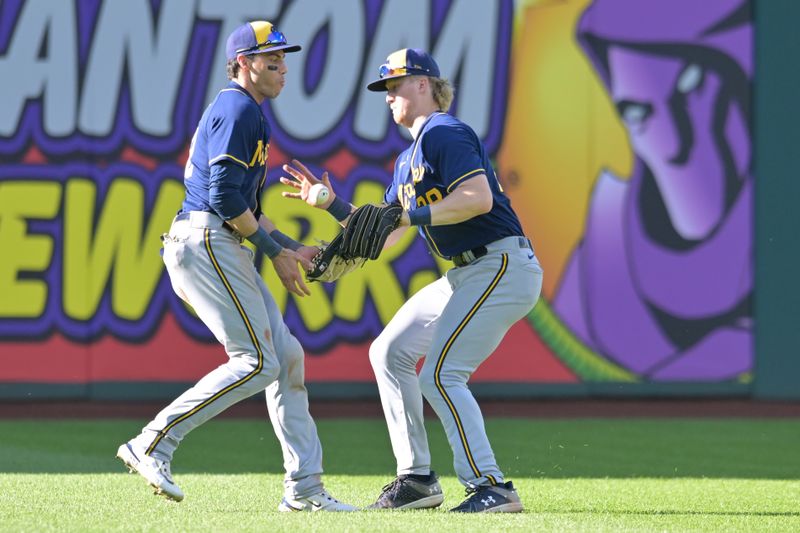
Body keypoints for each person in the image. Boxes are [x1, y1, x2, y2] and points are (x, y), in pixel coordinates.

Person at [281, 48, 543, 513]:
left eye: (395, 85)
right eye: (384, 88)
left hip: (501, 264)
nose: (387, 96)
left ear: (424, 84)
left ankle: (492, 486)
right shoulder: (407, 161)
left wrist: (412, 213)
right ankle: (418, 479)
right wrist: (331, 205)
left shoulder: (446, 131)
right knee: (389, 352)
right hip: (467, 272)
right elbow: (384, 229)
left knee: (442, 373)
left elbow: (477, 198)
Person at [116, 20, 355, 512]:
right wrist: (274, 254)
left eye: (284, 59)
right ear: (244, 64)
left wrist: (290, 247)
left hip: (216, 237)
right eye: (272, 60)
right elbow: (225, 197)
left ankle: (305, 489)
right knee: (258, 362)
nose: (282, 69)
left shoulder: (245, 111)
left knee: (286, 357)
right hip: (207, 240)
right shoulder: (237, 107)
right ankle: (154, 442)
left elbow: (248, 205)